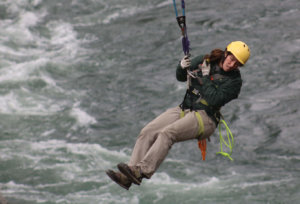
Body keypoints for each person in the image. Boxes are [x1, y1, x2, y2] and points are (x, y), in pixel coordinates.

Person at [106, 41, 250, 190]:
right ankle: (127, 177)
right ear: (226, 53)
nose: (232, 64)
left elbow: (214, 98)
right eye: (232, 59)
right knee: (148, 131)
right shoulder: (205, 60)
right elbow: (181, 77)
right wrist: (181, 66)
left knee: (168, 133)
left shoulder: (234, 83)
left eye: (237, 64)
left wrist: (205, 77)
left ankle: (141, 171)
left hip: (205, 118)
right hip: (185, 109)